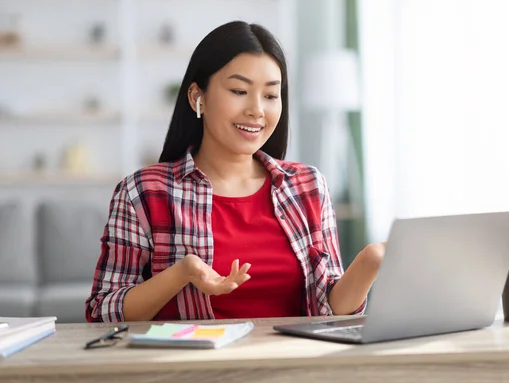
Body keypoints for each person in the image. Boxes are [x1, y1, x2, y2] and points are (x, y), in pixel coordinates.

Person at [85, 21, 385, 322]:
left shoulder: (308, 186)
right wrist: (182, 273)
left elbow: (328, 312)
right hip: (193, 366)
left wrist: (371, 261)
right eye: (239, 90)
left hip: (295, 364)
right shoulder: (143, 192)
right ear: (196, 97)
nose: (257, 110)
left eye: (270, 95)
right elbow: (103, 313)